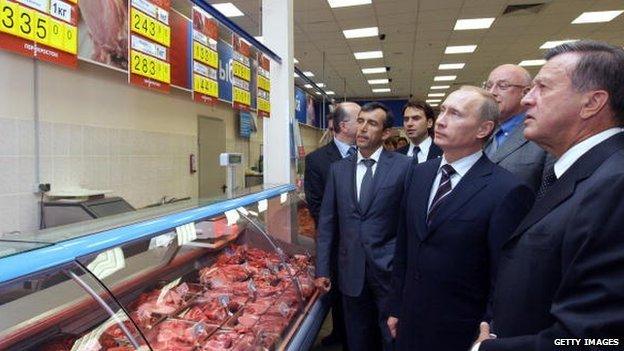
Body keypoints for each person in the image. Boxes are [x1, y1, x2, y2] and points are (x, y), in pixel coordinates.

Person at [473, 40, 624, 350]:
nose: (528, 99)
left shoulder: (615, 186)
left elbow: (601, 340)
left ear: (592, 103)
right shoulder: (580, 173)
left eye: (542, 87)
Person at [387, 86, 534, 351]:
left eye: (455, 114)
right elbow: (404, 247)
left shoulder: (506, 190)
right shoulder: (418, 174)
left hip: (462, 329)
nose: (442, 120)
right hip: (411, 321)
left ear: (483, 129)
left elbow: (505, 272)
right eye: (443, 110)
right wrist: (396, 306)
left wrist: (491, 328)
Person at [315, 102, 411, 351]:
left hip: (388, 271)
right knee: (357, 339)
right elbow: (327, 223)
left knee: (391, 338)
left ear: (386, 133)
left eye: (372, 123)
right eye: (361, 121)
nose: (363, 128)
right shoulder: (338, 170)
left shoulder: (404, 167)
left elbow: (409, 223)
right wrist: (322, 269)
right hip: (351, 271)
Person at [304, 102, 360, 348]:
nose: (365, 124)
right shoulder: (317, 160)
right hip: (337, 240)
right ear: (344, 125)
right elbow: (316, 205)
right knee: (339, 294)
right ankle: (341, 335)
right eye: (361, 119)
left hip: (366, 242)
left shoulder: (365, 154)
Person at [483, 64, 551, 192]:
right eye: (488, 86)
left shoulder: (545, 135)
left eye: (502, 86)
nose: (492, 92)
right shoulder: (485, 133)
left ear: (526, 92)